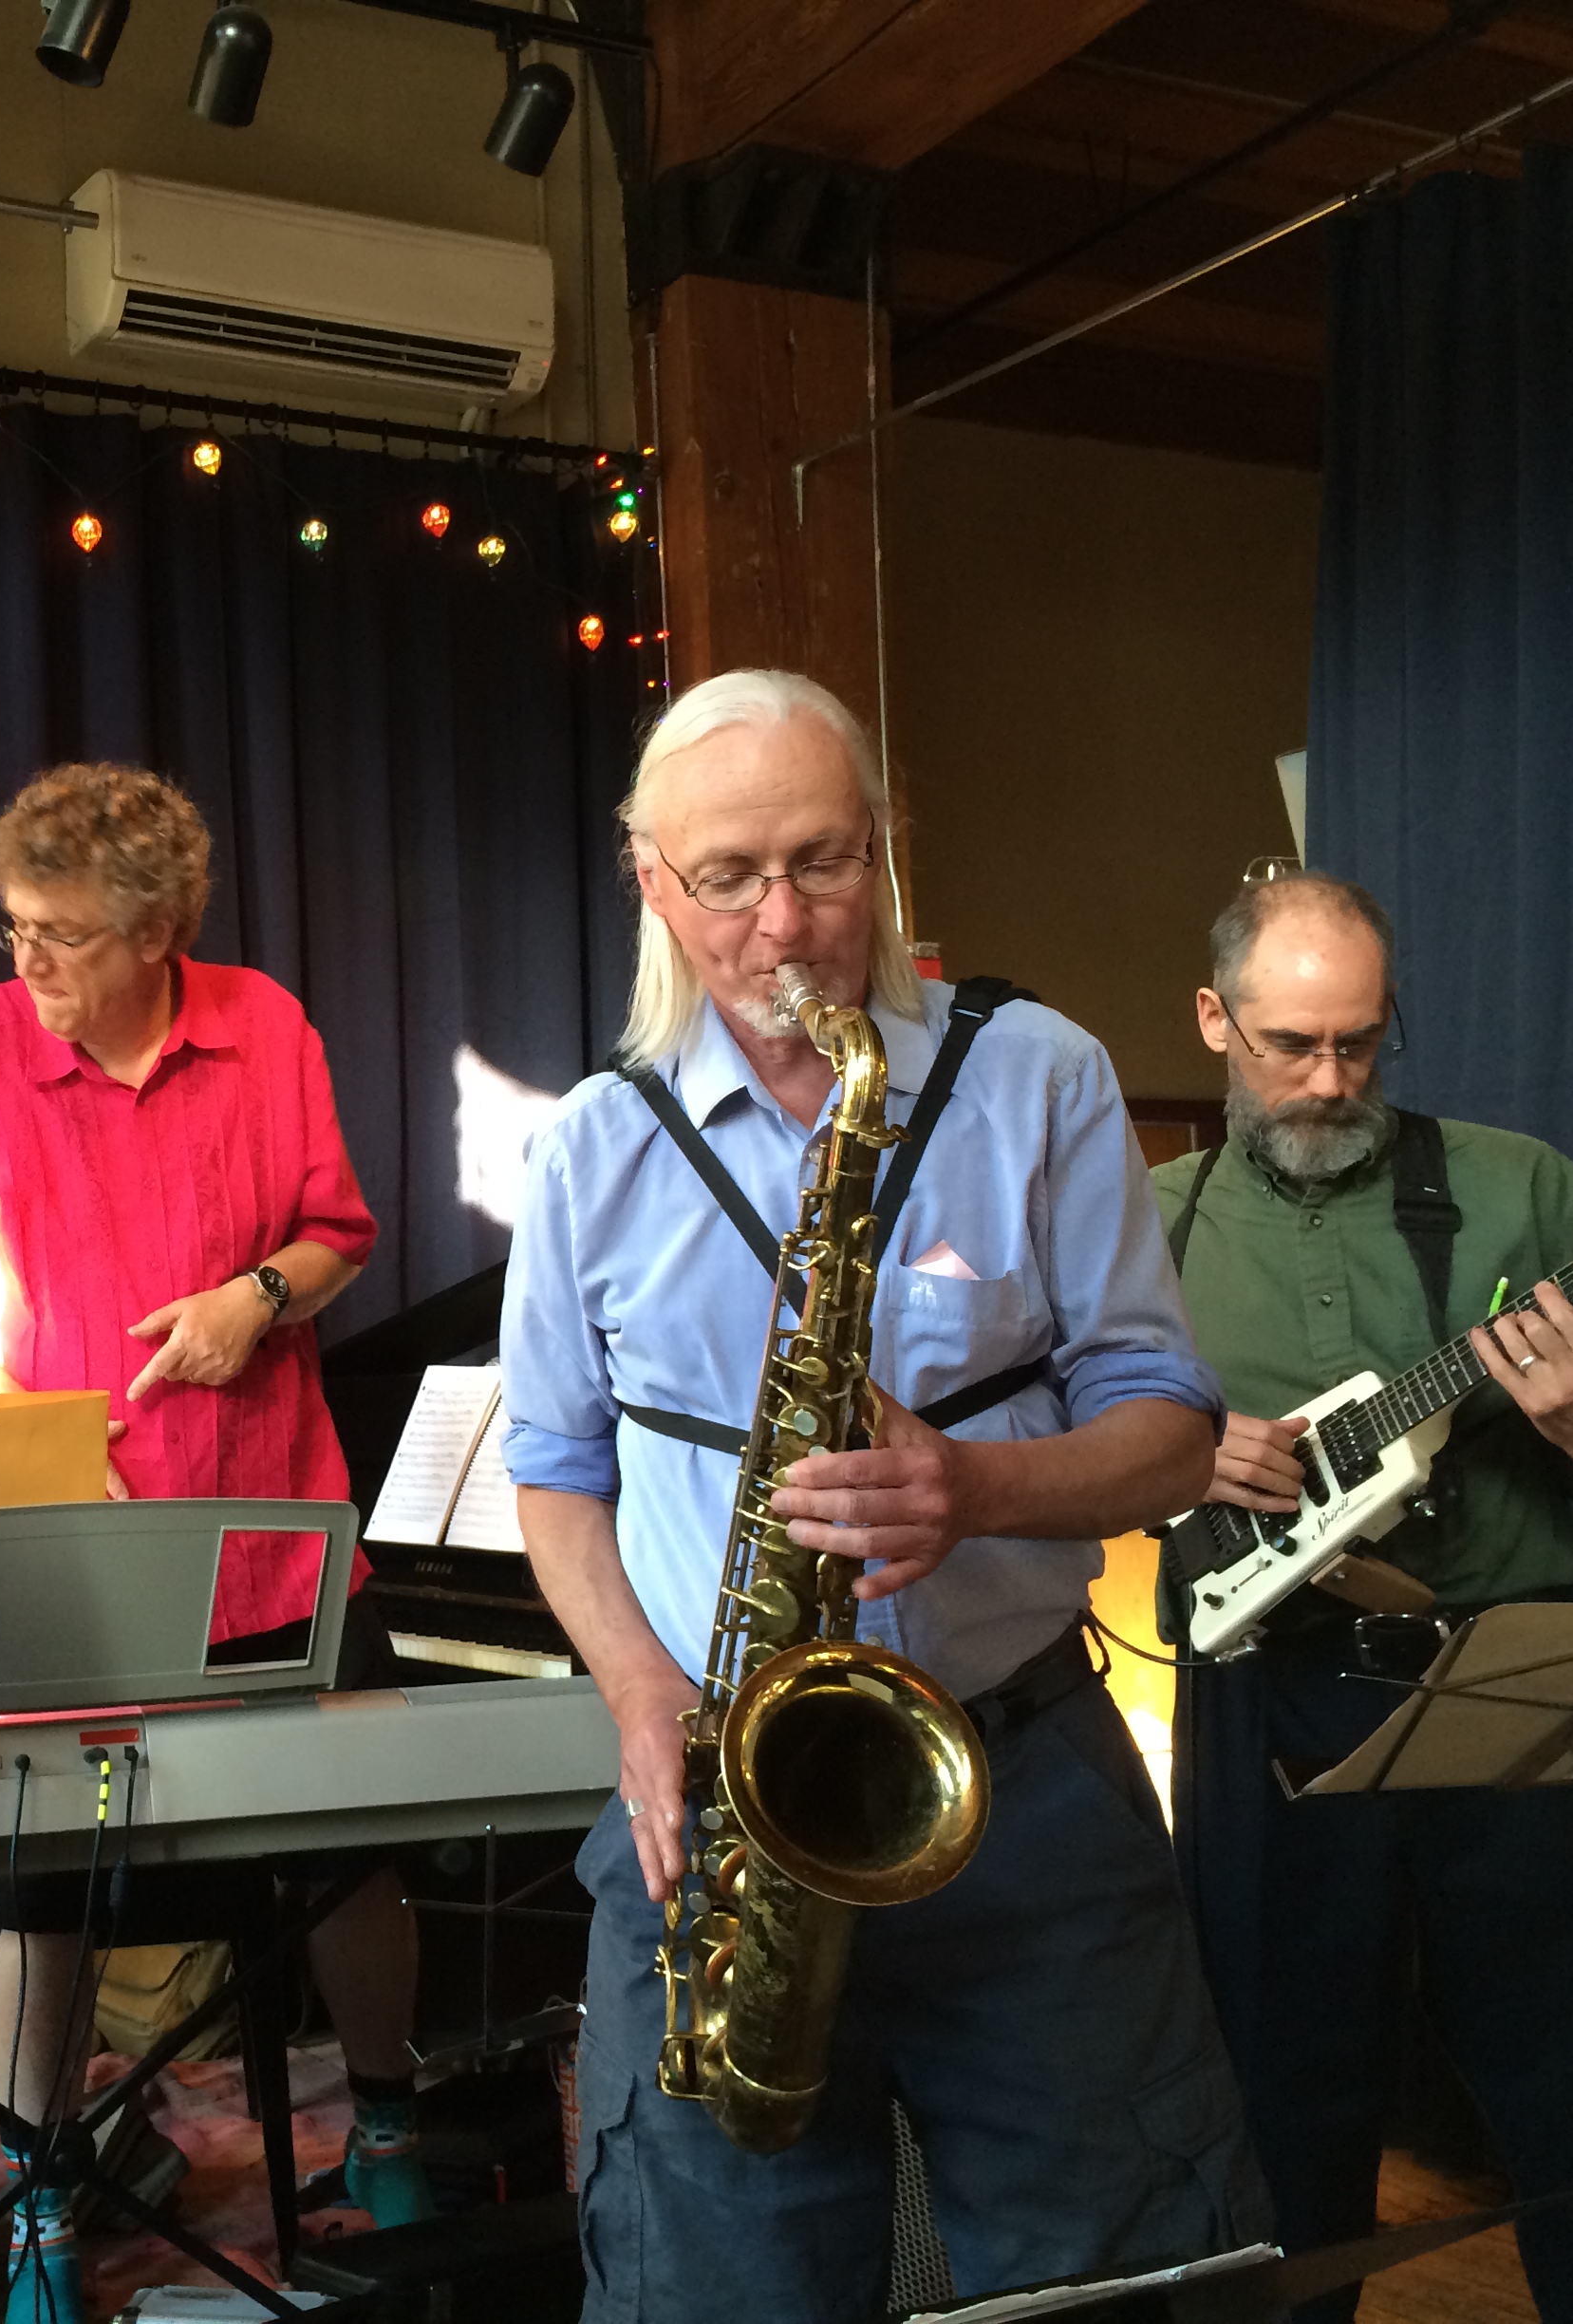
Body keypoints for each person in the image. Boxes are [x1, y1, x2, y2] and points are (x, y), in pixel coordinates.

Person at [501, 669, 1271, 2323]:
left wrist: (972, 1483)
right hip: (717, 1807)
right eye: (728, 876)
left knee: (1121, 2282)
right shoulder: (586, 1147)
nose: (784, 923)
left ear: (884, 842)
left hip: (1024, 1782)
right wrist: (639, 1693)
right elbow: (555, 1474)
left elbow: (1168, 1432)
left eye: (823, 861)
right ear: (651, 881)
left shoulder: (1038, 1073)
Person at [0, 762, 420, 2324]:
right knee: (39, 1890)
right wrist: (5, 1417)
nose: (25, 957)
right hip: (65, 1549)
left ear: (160, 929)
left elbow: (334, 1233)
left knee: (358, 1848)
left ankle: (389, 2120)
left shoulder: (266, 1027)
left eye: (61, 932)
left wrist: (257, 1298)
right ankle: (40, 2194)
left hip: (272, 1537)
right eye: (11, 924)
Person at [1155, 871, 1573, 2324]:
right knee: (1283, 2095)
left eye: (1361, 1041)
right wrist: (1171, 1454)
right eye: (1291, 1044)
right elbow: (1058, 1447)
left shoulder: (1527, 1190)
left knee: (1572, 2084)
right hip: (1267, 1697)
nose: (1331, 1080)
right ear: (1215, 1019)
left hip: (1504, 1684)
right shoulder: (1141, 1230)